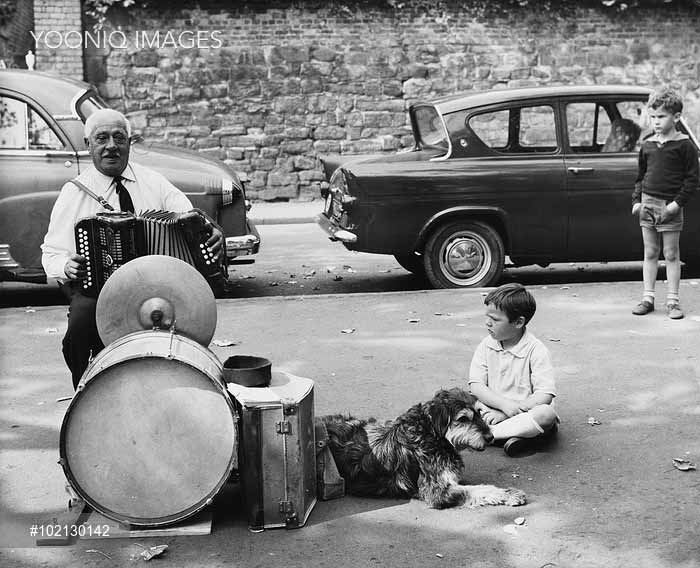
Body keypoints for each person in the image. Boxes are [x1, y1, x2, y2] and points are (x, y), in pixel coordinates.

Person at [41, 108, 223, 388]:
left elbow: (191, 219)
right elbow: (51, 253)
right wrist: (66, 266)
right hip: (101, 290)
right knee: (77, 332)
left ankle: (182, 388)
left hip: (158, 285)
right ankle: (85, 395)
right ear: (88, 145)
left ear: (129, 142)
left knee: (193, 322)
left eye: (119, 138)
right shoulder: (75, 192)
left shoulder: (154, 182)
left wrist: (211, 233)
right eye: (102, 138)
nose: (111, 146)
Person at [468, 283, 558, 457]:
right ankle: (518, 437)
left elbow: (545, 395)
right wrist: (502, 406)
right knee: (458, 403)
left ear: (518, 322)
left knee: (546, 415)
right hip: (491, 409)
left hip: (524, 412)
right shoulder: (486, 346)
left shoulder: (536, 350)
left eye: (495, 319)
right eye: (487, 316)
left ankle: (491, 434)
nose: (487, 323)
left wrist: (512, 411)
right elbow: (476, 386)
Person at [631, 89, 699, 320]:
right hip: (647, 204)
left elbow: (692, 180)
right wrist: (636, 201)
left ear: (676, 117)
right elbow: (640, 176)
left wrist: (677, 204)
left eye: (661, 117)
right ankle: (648, 298)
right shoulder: (648, 145)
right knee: (650, 252)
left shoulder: (684, 145)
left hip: (670, 206)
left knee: (671, 254)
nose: (656, 122)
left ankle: (672, 301)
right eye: (653, 117)